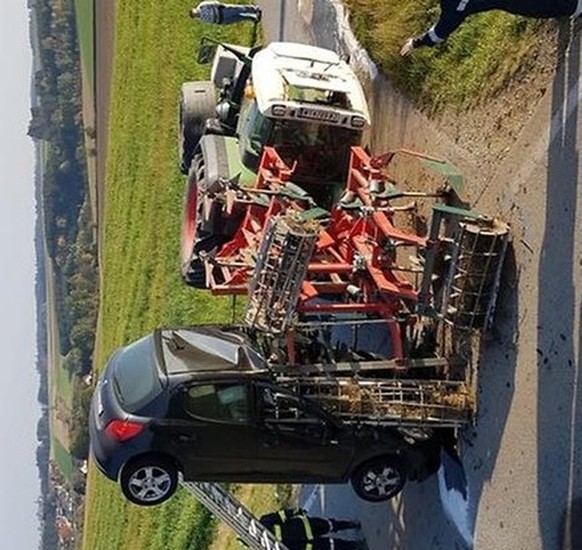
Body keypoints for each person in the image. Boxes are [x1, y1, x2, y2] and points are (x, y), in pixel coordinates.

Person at [400, 0, 582, 56]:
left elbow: (438, 34)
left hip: (534, 5)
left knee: (560, 7)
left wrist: (415, 43)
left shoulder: (453, 6)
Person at [259, 508, 367, 550]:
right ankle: (356, 545)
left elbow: (280, 515)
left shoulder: (263, 523)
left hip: (305, 527)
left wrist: (294, 512)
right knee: (331, 545)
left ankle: (350, 525)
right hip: (305, 545)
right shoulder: (267, 546)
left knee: (329, 525)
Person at [189, 1, 262, 25]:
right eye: (194, 15)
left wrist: (220, 4)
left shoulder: (201, 6)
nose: (195, 14)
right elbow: (210, 22)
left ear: (194, 9)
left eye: (194, 13)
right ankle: (253, 18)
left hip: (222, 11)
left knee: (239, 9)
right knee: (239, 18)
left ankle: (254, 9)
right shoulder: (201, 19)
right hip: (221, 20)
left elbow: (211, 2)